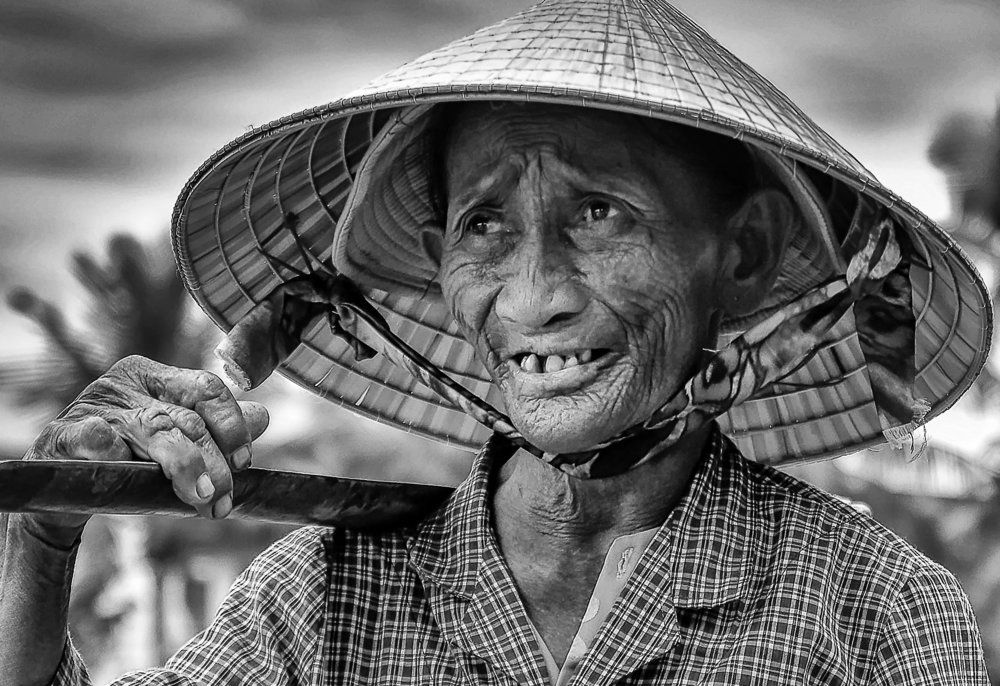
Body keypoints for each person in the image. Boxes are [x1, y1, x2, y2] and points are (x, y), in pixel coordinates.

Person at [0, 0, 992, 684]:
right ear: (438, 261)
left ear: (743, 253)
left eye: (600, 213)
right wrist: (42, 546)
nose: (534, 295)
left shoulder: (879, 610)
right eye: (483, 223)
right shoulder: (326, 593)